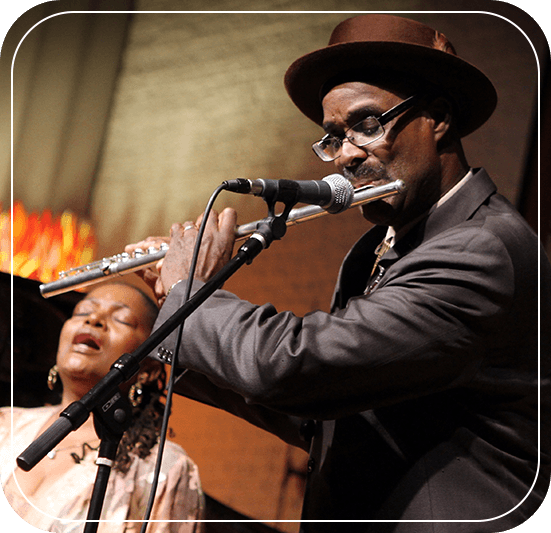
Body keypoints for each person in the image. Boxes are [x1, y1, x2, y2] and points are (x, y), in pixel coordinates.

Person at [128, 14, 550, 532]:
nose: (346, 155)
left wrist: (188, 296)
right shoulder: (376, 247)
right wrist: (175, 322)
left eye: (368, 125)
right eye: (333, 137)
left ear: (438, 117)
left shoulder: (482, 250)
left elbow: (302, 367)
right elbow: (328, 413)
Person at [0, 282, 204, 532]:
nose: (94, 319)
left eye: (122, 320)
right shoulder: (4, 423)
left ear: (148, 369)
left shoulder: (163, 469)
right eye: (83, 313)